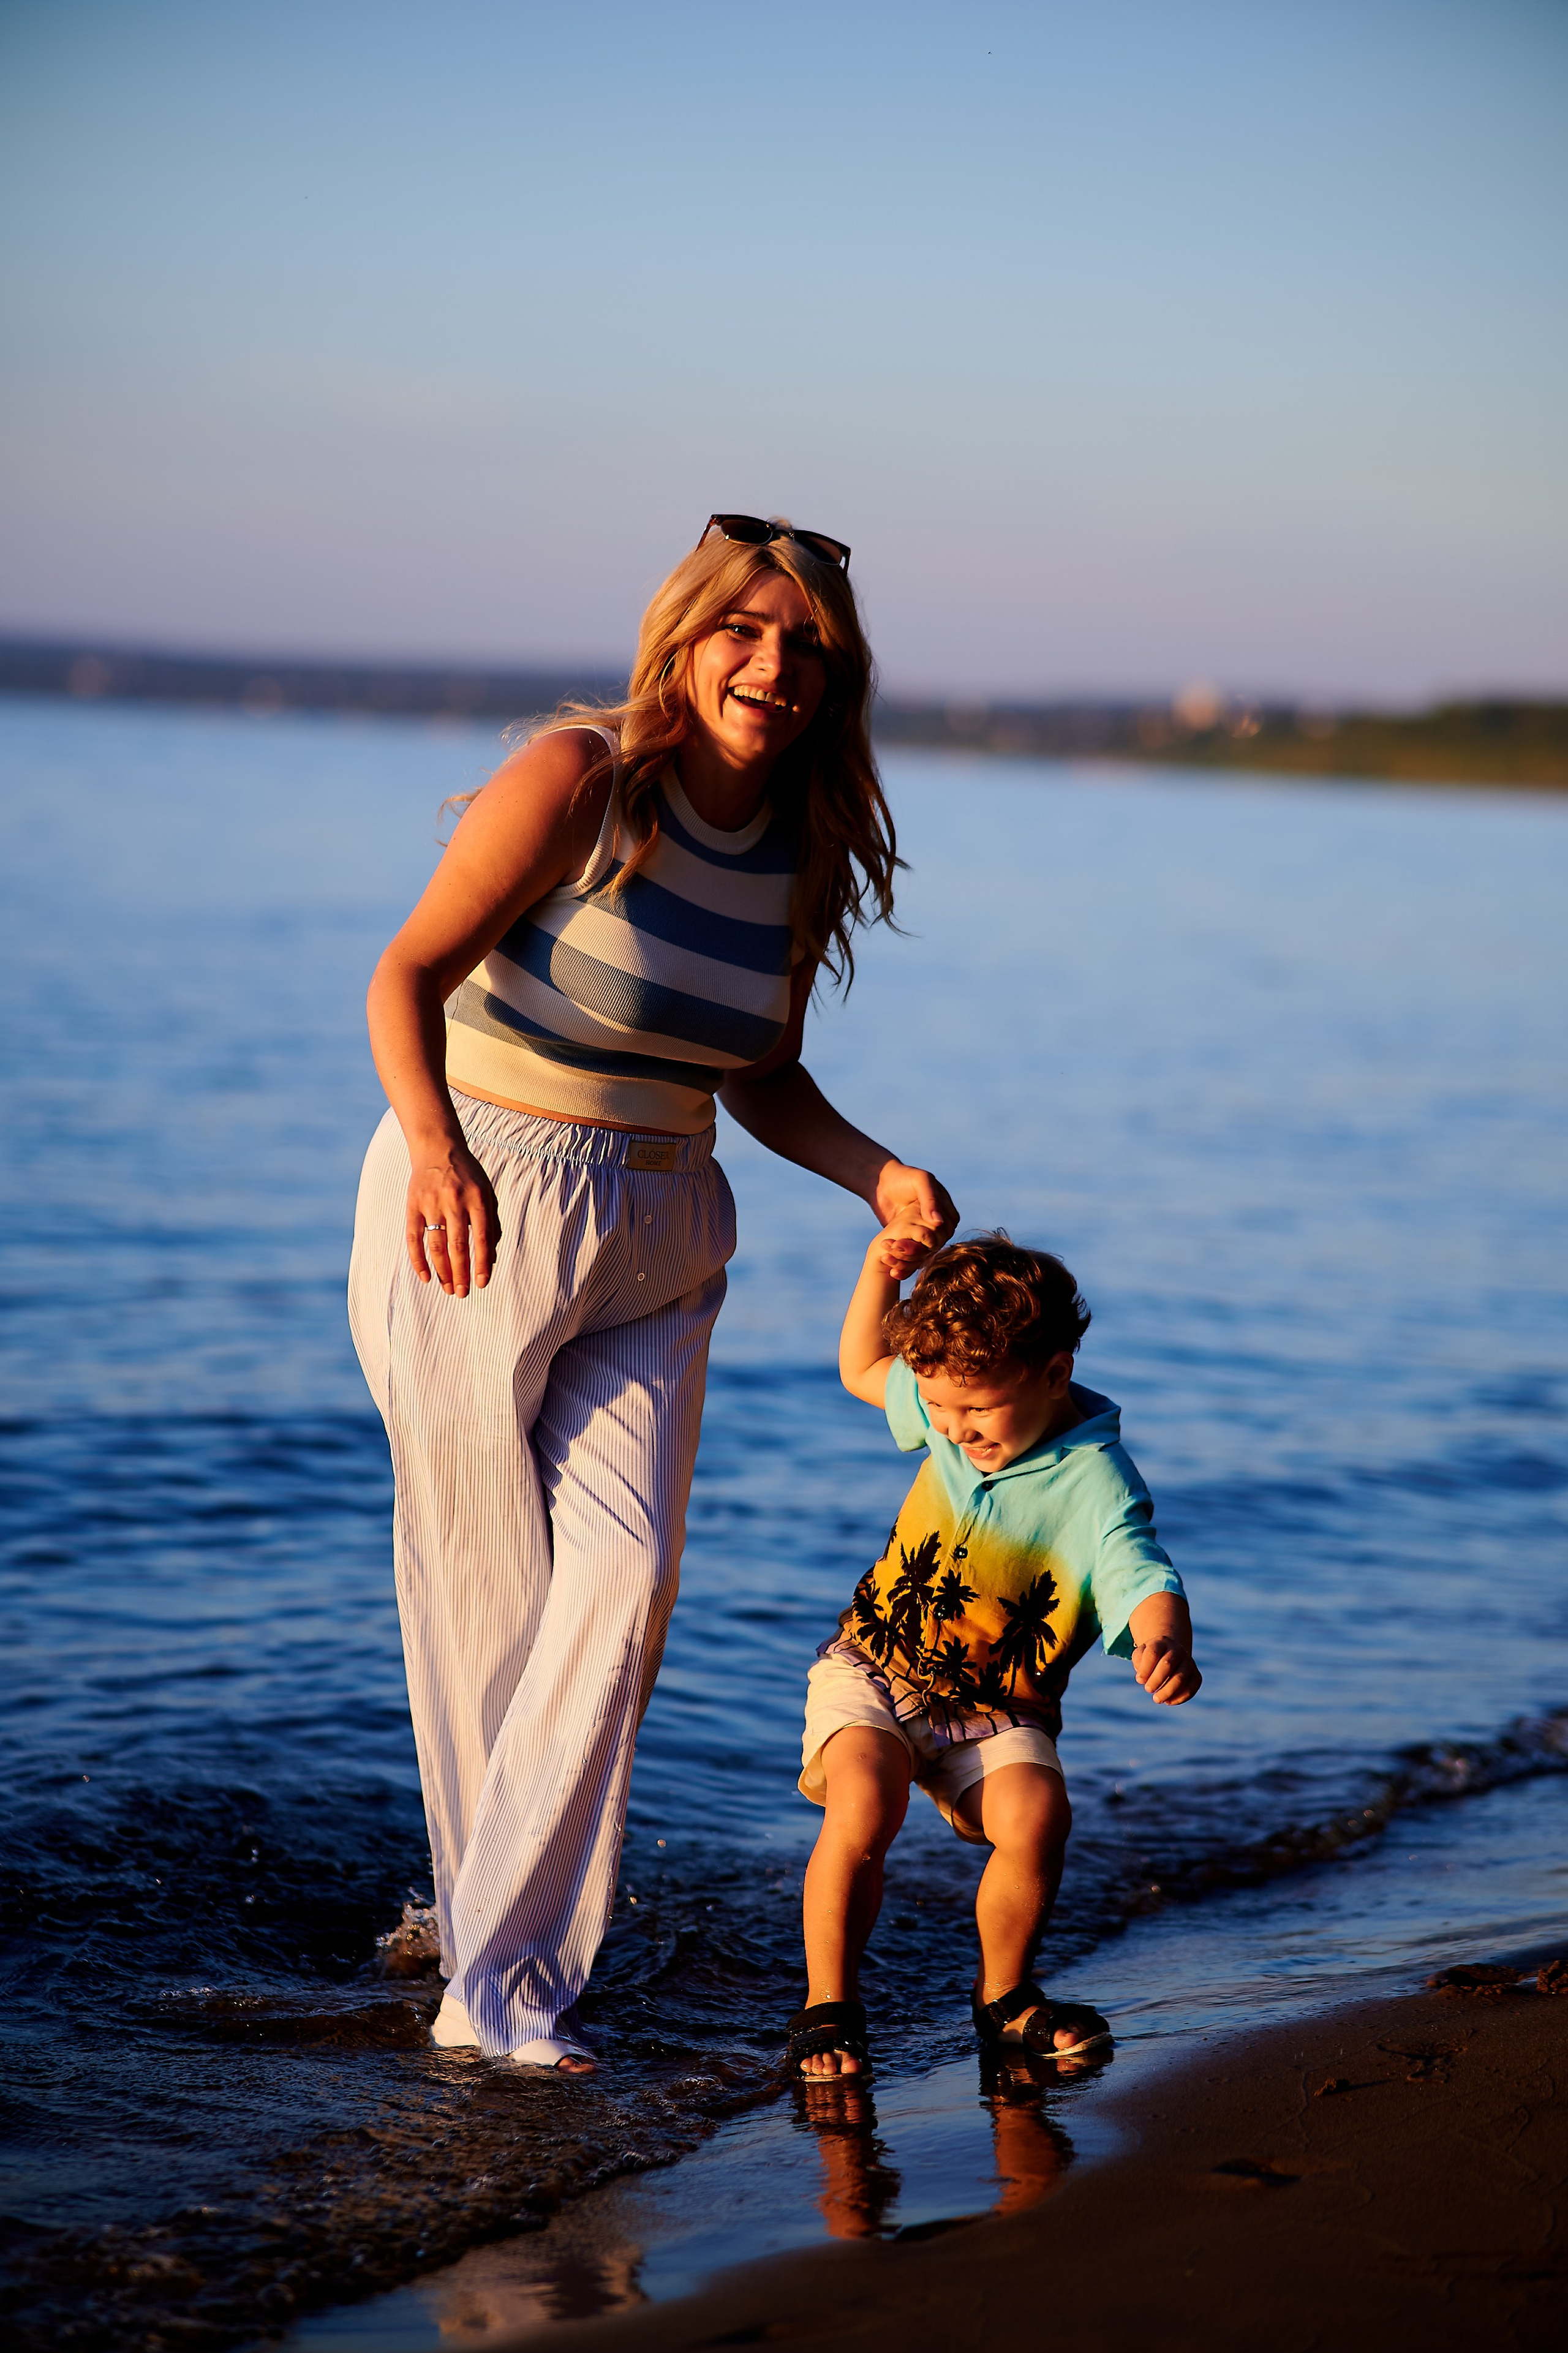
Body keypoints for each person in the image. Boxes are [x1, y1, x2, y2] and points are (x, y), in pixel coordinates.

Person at [348, 516, 957, 2072]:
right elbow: (405, 975)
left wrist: (875, 1174)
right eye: (743, 631)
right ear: (684, 639)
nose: (773, 663)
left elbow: (758, 1070)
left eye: (806, 644)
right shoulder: (580, 778)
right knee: (481, 1598)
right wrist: (432, 1153)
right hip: (478, 1198)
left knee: (619, 1594)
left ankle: (495, 1987)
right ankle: (483, 1952)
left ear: (834, 676)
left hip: (668, 1225)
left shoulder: (802, 846)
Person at [787, 1225, 1200, 2079]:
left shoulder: (1095, 1480)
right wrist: (875, 1271)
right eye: (939, 1410)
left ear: (1054, 1375)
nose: (954, 1430)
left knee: (1036, 1817)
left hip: (999, 1708)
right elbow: (864, 1368)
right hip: (875, 1667)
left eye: (976, 1410)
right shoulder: (948, 1406)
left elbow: (1140, 1566)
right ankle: (830, 2006)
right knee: (864, 1798)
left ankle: (1006, 1997)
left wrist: (1163, 1635)